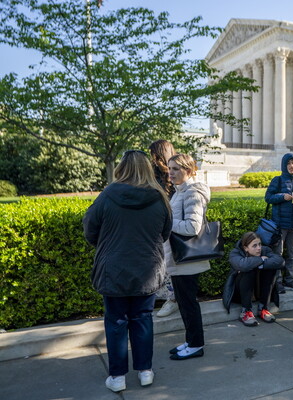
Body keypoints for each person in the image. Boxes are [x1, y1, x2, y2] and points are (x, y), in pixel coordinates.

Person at [83, 150, 172, 392]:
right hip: (147, 268)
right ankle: (145, 371)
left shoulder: (109, 194)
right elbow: (164, 232)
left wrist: (106, 245)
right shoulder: (159, 197)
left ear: (122, 167)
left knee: (116, 321)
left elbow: (90, 228)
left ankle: (118, 376)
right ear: (146, 168)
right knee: (143, 318)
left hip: (114, 268)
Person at [164, 153, 211, 361]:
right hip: (178, 259)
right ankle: (191, 340)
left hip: (186, 260)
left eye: (176, 169)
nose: (170, 173)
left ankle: (196, 344)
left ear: (189, 171)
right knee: (184, 303)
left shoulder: (193, 192)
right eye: (169, 168)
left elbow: (193, 226)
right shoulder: (179, 191)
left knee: (188, 303)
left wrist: (164, 224)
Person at [223, 232, 285, 326]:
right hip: (240, 294)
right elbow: (242, 265)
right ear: (245, 248)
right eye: (254, 246)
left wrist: (260, 265)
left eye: (259, 244)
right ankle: (246, 311)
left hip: (258, 290)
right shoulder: (235, 253)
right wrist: (261, 260)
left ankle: (263, 308)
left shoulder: (265, 250)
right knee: (248, 269)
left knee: (270, 269)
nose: (259, 248)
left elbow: (280, 261)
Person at [265, 153, 293, 294]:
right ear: (284, 165)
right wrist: (283, 196)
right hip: (279, 224)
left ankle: (290, 279)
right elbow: (268, 197)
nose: (291, 166)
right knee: (278, 254)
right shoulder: (278, 180)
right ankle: (278, 281)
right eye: (289, 163)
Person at [149, 139, 179, 318]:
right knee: (161, 263)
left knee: (168, 264)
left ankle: (172, 299)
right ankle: (165, 296)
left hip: (169, 223)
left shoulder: (172, 171)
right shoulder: (156, 173)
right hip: (160, 223)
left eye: (152, 153)